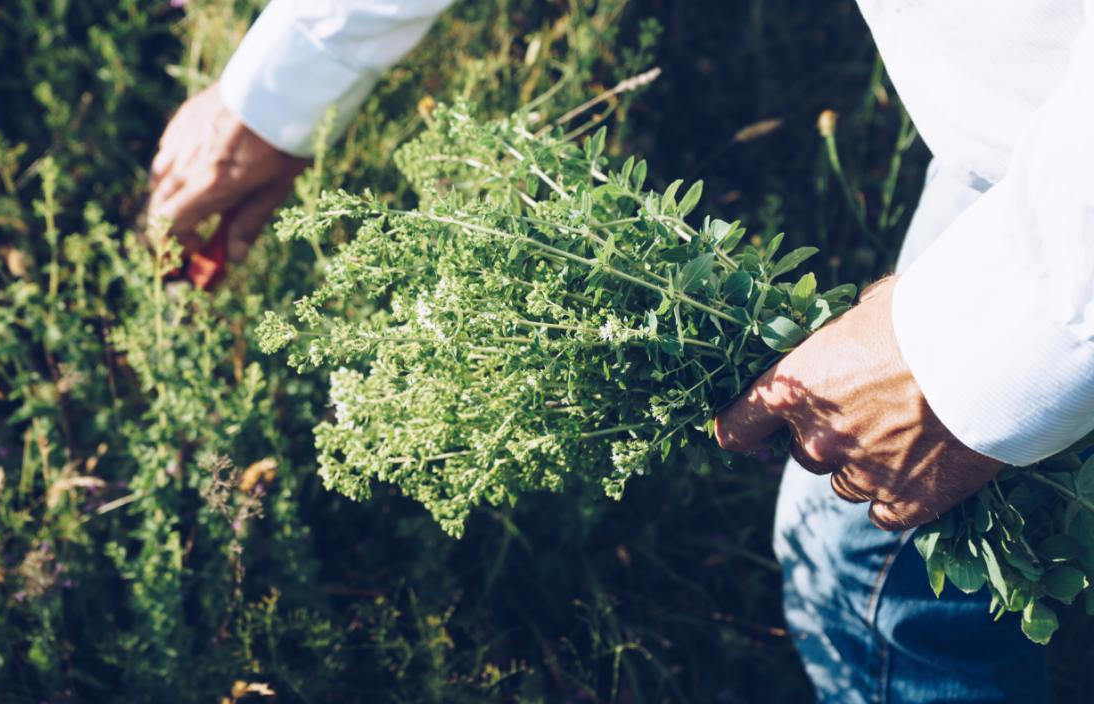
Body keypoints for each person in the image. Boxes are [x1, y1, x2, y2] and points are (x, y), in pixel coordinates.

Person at [147, 1, 1094, 700]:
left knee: (868, 564)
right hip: (1036, 128)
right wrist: (280, 86)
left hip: (1062, 176)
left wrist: (978, 349)